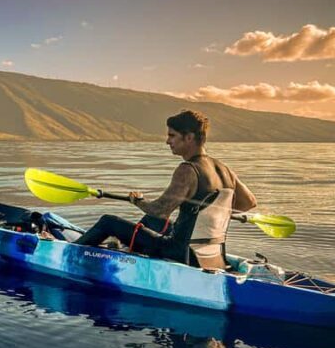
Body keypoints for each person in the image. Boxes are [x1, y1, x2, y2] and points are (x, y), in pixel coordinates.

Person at [74, 110, 257, 269]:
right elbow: (249, 202)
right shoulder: (224, 169)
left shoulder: (188, 169)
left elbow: (160, 211)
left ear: (189, 137)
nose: (167, 141)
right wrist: (212, 215)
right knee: (151, 223)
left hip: (180, 253)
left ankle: (68, 253)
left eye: (172, 135)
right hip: (212, 255)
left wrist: (137, 200)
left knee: (108, 222)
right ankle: (124, 249)